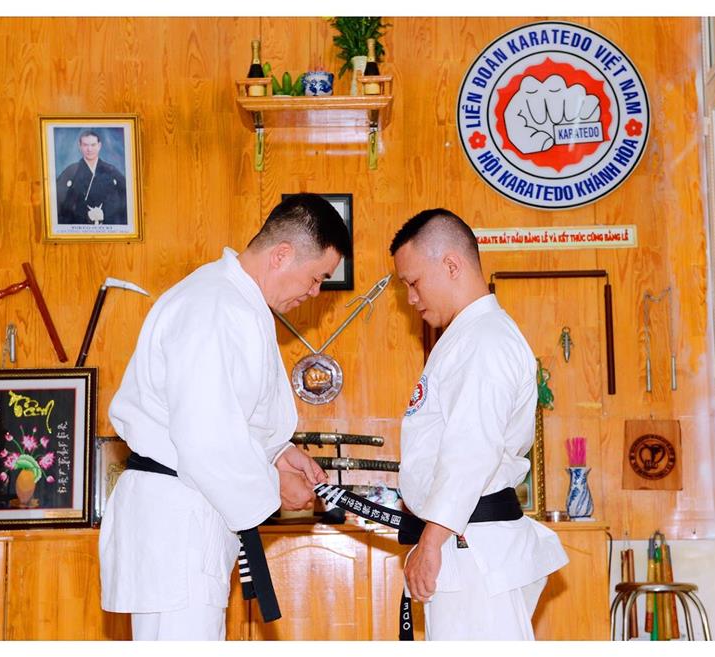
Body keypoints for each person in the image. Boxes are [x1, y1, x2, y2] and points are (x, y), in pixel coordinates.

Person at [99, 193, 352, 640]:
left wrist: (277, 452)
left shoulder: (231, 300)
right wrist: (275, 485)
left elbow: (225, 414)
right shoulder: (217, 306)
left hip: (182, 517)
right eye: (317, 277)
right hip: (177, 525)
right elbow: (207, 439)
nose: (315, 292)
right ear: (282, 255)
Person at [390, 208, 569, 640]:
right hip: (465, 541)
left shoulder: (484, 339)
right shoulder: (467, 337)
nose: (411, 298)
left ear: (451, 265)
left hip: (470, 546)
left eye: (414, 282)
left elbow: (471, 450)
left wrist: (431, 541)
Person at [56, 129, 128, 225]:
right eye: (85, 145)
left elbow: (124, 200)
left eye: (93, 145)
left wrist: (104, 213)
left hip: (107, 226)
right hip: (79, 227)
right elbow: (60, 203)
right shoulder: (70, 171)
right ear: (80, 146)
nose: (89, 149)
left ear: (99, 146)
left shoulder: (111, 171)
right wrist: (85, 214)